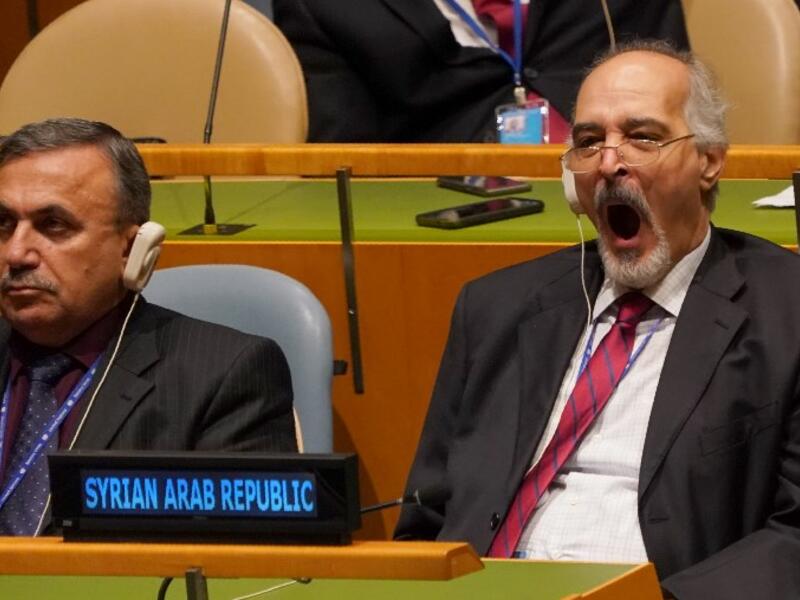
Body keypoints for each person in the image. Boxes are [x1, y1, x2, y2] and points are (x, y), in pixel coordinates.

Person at [395, 41, 800, 599]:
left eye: (643, 137)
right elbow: (426, 519)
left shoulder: (786, 310)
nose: (609, 163)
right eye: (588, 142)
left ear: (709, 160)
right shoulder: (496, 308)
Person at [0, 118, 297, 536]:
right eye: (4, 224)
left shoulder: (223, 377)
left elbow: (243, 559)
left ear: (133, 249)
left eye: (54, 225)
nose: (16, 254)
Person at [273, 0, 689, 142]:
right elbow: (346, 177)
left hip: (620, 201)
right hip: (441, 231)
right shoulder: (326, 7)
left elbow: (677, 113)